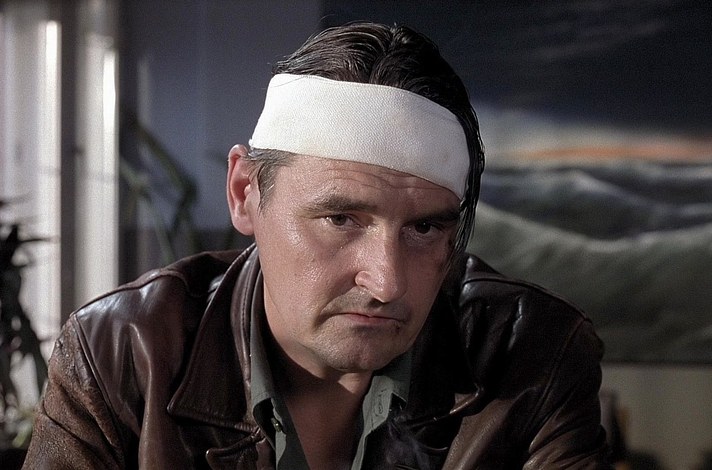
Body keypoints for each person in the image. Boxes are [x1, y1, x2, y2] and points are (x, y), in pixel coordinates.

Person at [23, 22, 611, 469]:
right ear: (245, 193)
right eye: (340, 218)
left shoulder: (532, 355)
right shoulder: (123, 354)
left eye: (424, 229)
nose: (387, 282)